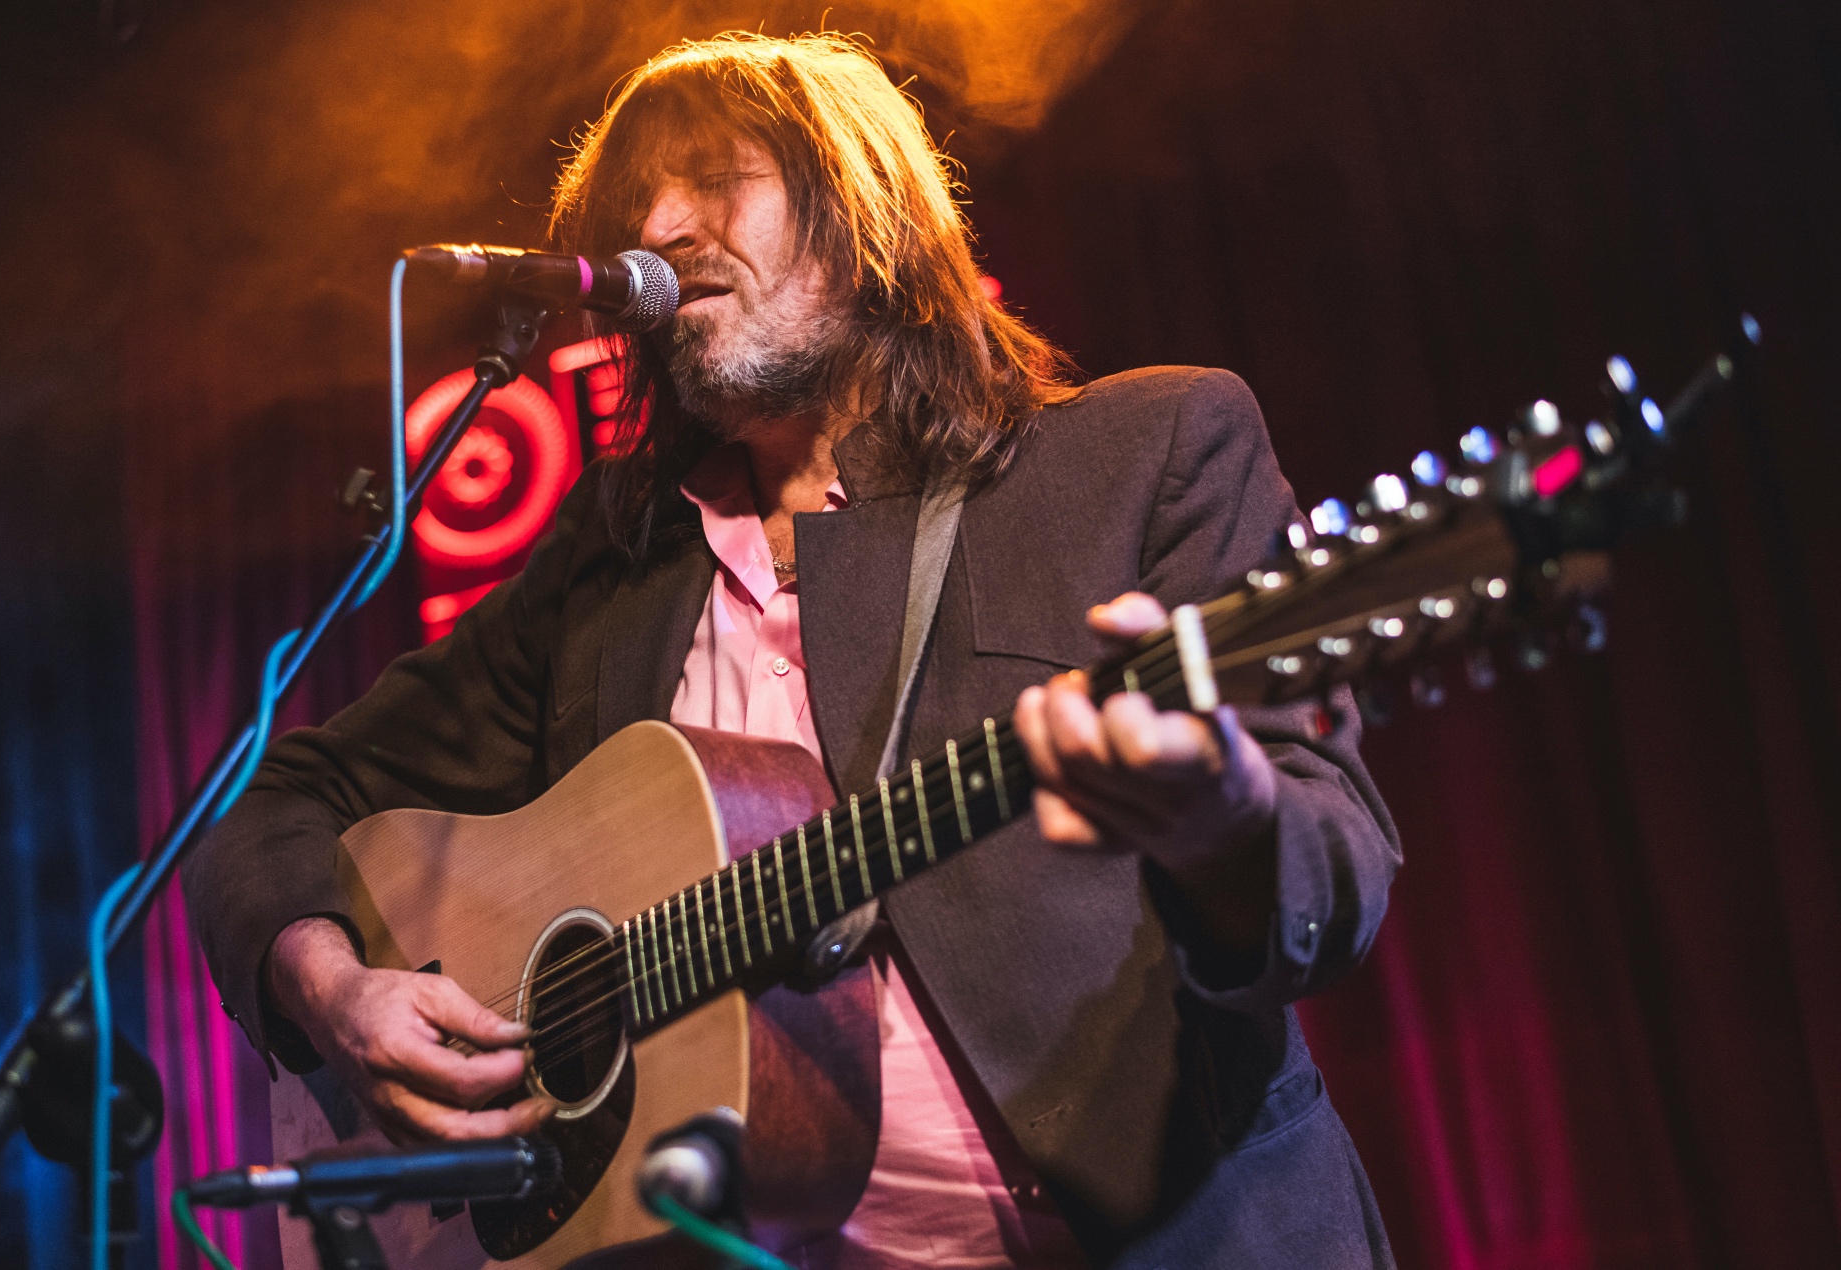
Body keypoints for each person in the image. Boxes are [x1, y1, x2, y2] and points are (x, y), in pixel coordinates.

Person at [186, 31, 1401, 1270]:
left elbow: (1334, 862)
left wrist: (1221, 819)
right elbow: (279, 804)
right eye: (633, 205)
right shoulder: (612, 558)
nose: (658, 226)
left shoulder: (1145, 454)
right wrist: (333, 990)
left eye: (714, 178)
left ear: (863, 206)